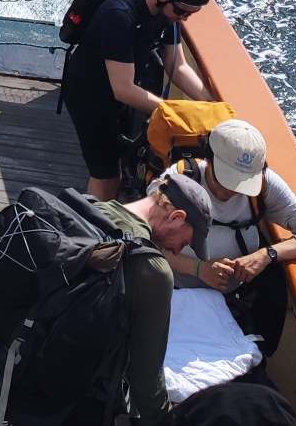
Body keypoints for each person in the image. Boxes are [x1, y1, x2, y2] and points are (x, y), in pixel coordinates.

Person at [62, 0, 215, 199]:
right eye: (181, 11)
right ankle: (92, 218)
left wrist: (211, 103)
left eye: (191, 13)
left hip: (119, 92)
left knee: (119, 160)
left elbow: (177, 66)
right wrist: (178, 113)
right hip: (89, 95)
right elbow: (123, 88)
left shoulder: (169, 11)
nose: (184, 18)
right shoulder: (119, 15)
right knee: (105, 174)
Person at [189, 119, 296, 358]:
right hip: (179, 294)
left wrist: (266, 255)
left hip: (234, 299)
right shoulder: (179, 182)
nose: (231, 190)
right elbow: (147, 245)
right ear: (209, 159)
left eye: (241, 183)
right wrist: (198, 269)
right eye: (225, 179)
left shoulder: (265, 185)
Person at [84, 168, 214, 426]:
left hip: (18, 360)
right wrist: (164, 420)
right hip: (73, 395)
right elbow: (145, 377)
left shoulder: (91, 209)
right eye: (185, 242)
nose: (177, 250)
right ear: (176, 217)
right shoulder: (152, 269)